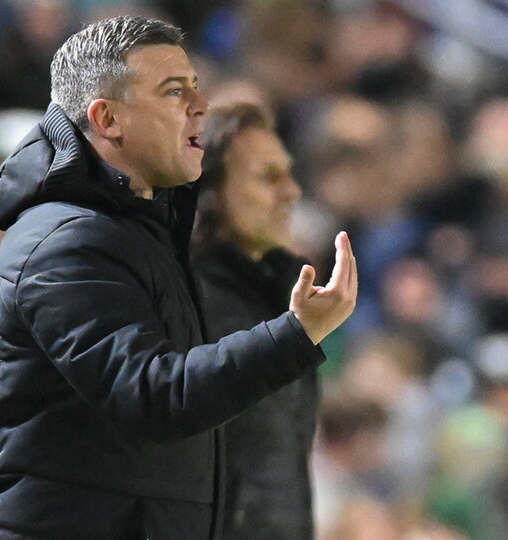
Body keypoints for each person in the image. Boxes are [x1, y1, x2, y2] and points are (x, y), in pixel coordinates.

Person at [0, 16, 357, 540]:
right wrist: (295, 334)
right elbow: (151, 396)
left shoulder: (142, 237)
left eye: (196, 87)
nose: (201, 106)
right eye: (174, 91)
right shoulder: (65, 243)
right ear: (107, 118)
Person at [191, 103, 315, 539]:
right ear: (211, 195)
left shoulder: (280, 301)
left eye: (288, 173)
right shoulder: (188, 304)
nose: (291, 192)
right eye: (268, 177)